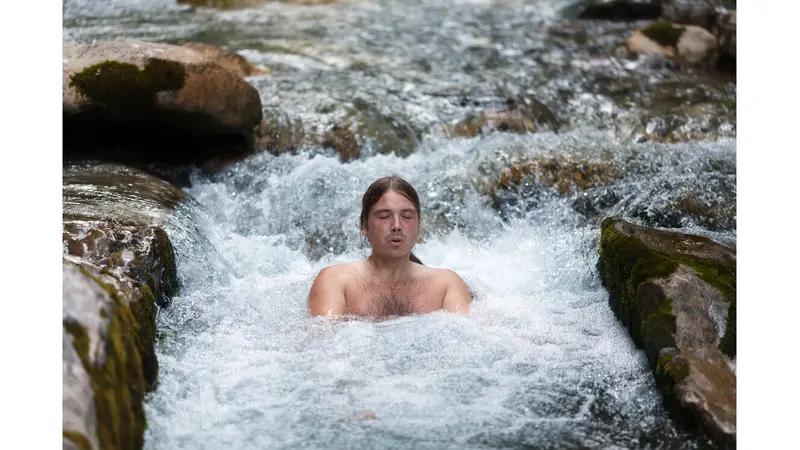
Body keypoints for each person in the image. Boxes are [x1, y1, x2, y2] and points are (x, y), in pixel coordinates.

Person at [307, 176, 471, 318]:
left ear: (419, 224)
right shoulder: (336, 281)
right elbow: (324, 343)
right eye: (384, 216)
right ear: (364, 225)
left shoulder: (447, 285)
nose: (396, 225)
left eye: (407, 216)